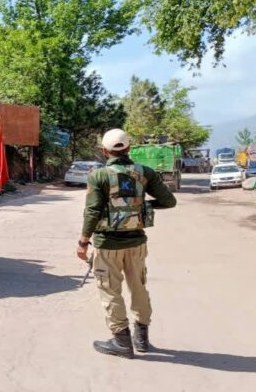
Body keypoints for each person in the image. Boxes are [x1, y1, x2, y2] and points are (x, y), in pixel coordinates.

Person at [77, 129, 176, 359]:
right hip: (137, 244)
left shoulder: (99, 176)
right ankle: (141, 339)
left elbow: (92, 211)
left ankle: (122, 342)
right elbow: (169, 201)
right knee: (138, 287)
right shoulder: (146, 173)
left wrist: (83, 241)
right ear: (129, 149)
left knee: (110, 291)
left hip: (107, 245)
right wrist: (140, 208)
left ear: (104, 151)